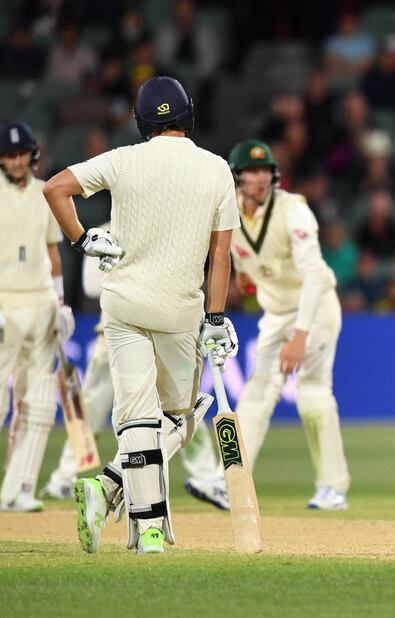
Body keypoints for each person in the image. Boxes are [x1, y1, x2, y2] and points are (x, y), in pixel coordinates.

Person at [43, 76, 240, 555]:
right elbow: (221, 255)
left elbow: (54, 188)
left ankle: (129, 510)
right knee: (178, 418)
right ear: (187, 116)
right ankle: (124, 501)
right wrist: (215, 317)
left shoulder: (124, 159)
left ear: (142, 120)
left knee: (136, 418)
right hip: (178, 309)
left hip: (124, 305)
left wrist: (81, 239)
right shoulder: (216, 169)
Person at [40, 234, 228, 511]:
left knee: (177, 410)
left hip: (165, 331)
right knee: (93, 410)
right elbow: (92, 285)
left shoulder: (175, 233)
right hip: (115, 335)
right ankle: (65, 477)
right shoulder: (106, 231)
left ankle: (205, 476)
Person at [221, 139, 350, 509]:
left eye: (264, 171)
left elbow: (312, 276)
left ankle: (332, 487)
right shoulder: (228, 209)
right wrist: (246, 277)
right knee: (256, 395)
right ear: (238, 176)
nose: (259, 179)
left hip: (317, 308)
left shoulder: (294, 211)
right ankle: (231, 480)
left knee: (312, 395)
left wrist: (300, 336)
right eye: (251, 172)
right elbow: (245, 259)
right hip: (276, 313)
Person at [0, 122, 74, 512]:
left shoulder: (46, 192)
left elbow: (53, 253)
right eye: (9, 155)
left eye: (21, 154)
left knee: (42, 403)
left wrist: (59, 304)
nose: (15, 162)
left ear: (32, 154)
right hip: (4, 302)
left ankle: (18, 489)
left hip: (40, 301)